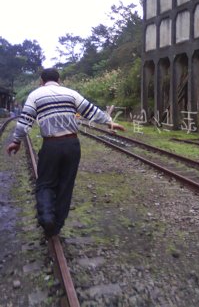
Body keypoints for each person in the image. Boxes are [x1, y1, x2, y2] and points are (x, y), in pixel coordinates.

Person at [6, 68, 125, 237]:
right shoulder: (71, 93)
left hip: (51, 145)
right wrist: (109, 122)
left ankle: (47, 216)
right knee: (65, 185)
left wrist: (16, 141)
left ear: (41, 81)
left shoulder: (35, 95)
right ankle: (57, 225)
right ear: (59, 80)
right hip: (72, 144)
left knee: (46, 183)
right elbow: (90, 110)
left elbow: (25, 121)